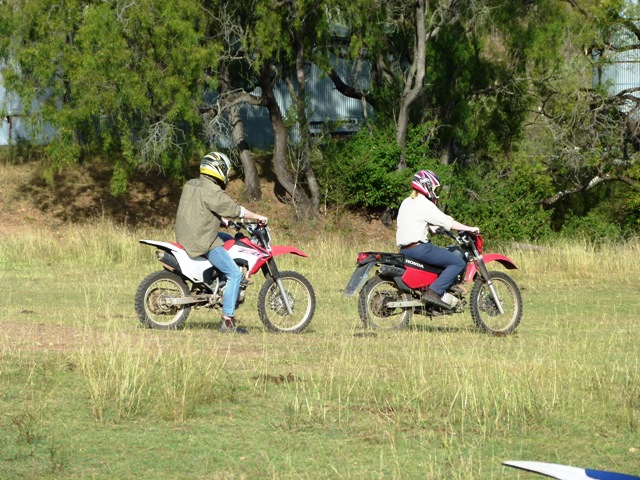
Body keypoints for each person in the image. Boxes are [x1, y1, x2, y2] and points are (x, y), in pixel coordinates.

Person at [175, 152, 268, 334]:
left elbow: (200, 207)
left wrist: (221, 219)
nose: (227, 175)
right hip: (202, 240)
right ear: (219, 170)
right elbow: (234, 210)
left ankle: (218, 280)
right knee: (234, 273)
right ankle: (227, 321)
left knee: (228, 240)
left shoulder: (192, 184)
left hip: (187, 236)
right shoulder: (212, 190)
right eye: (225, 171)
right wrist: (258, 216)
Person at [396, 169, 479, 309]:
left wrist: (429, 228)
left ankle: (434, 290)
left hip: (405, 250)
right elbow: (448, 222)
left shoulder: (407, 201)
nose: (435, 192)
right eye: (435, 188)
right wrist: (469, 228)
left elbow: (412, 221)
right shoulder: (424, 203)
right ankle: (434, 292)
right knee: (458, 263)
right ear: (427, 185)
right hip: (420, 249)